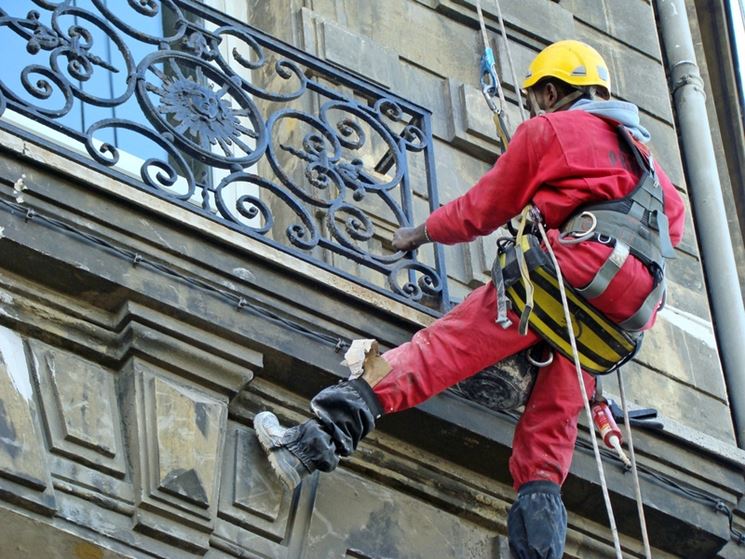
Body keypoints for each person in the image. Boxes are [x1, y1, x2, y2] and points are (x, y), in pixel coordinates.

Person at [253, 40, 685, 558]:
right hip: (618, 316)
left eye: (536, 99)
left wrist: (420, 233)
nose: (534, 109)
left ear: (551, 91)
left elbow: (483, 208)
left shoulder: (553, 130)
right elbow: (670, 232)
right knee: (550, 440)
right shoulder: (655, 174)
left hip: (566, 274)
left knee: (440, 349)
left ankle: (308, 445)